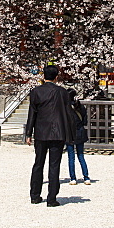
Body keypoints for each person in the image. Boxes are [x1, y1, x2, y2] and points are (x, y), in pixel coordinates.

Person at [24, 65, 74, 207]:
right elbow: (68, 114)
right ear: (56, 77)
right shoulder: (63, 93)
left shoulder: (36, 92)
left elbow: (32, 113)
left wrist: (28, 133)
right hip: (58, 133)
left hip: (40, 132)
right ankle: (52, 198)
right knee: (54, 165)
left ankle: (35, 195)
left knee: (38, 163)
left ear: (43, 76)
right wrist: (70, 134)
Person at [65, 91, 91, 185]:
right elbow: (84, 120)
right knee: (81, 156)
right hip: (80, 132)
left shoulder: (66, 108)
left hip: (69, 133)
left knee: (71, 157)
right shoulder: (80, 106)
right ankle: (86, 177)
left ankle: (73, 178)